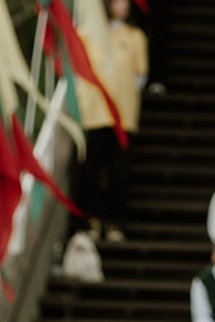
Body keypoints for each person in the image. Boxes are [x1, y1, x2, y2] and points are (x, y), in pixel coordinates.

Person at [79, 0, 148, 243]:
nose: (124, 5)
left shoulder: (135, 36)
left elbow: (141, 76)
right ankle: (92, 222)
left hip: (123, 117)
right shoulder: (86, 34)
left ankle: (115, 223)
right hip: (93, 114)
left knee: (119, 173)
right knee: (90, 171)